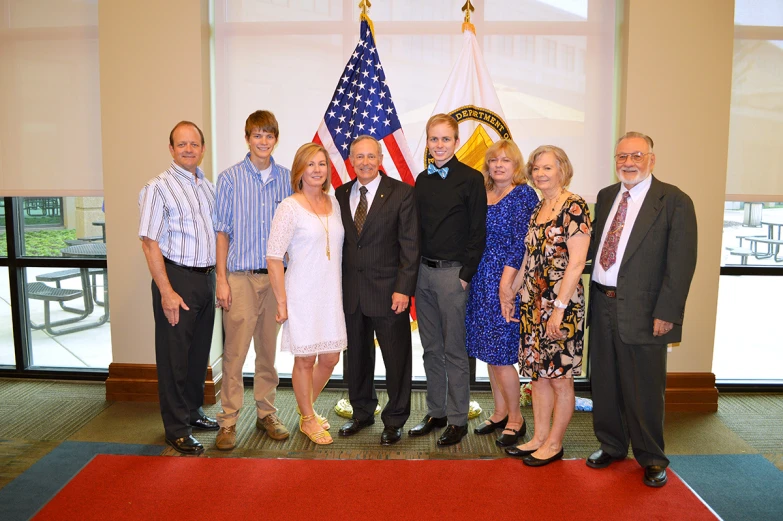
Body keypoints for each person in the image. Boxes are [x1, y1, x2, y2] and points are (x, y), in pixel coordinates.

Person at [586, 132, 697, 488]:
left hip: (646, 309)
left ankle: (651, 457)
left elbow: (681, 264)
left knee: (644, 388)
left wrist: (667, 311)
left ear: (651, 159)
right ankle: (612, 445)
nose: (628, 162)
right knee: (604, 381)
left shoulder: (674, 201)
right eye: (621, 156)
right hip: (602, 301)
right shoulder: (606, 197)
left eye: (636, 155)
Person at [501, 145, 591, 467]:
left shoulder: (574, 206)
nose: (540, 173)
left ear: (562, 169)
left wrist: (559, 308)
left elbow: (577, 262)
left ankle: (554, 443)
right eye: (536, 168)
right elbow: (530, 256)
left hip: (561, 309)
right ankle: (538, 437)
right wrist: (512, 291)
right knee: (537, 376)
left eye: (547, 168)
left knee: (559, 377)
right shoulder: (538, 209)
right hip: (532, 304)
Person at [213, 111, 293, 451]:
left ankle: (266, 413)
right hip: (240, 277)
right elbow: (221, 232)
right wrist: (221, 279)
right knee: (234, 353)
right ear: (247, 138)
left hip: (275, 280)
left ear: (276, 139)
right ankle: (229, 420)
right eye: (257, 135)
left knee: (267, 353)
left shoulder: (288, 179)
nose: (263, 141)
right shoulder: (229, 179)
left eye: (269, 135)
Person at [138, 121, 218, 455]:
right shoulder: (158, 188)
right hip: (177, 279)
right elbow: (149, 242)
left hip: (206, 278)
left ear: (202, 148)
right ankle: (176, 428)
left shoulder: (208, 187)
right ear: (171, 149)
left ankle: (193, 410)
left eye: (194, 144)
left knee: (198, 353)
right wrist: (167, 291)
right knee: (175, 358)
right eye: (181, 144)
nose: (188, 149)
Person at [334, 135, 419, 446]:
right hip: (352, 292)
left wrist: (403, 290)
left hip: (388, 293)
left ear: (381, 158)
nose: (365, 162)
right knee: (356, 356)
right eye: (359, 157)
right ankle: (362, 412)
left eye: (371, 156)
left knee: (396, 358)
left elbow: (410, 246)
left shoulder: (401, 193)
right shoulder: (340, 193)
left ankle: (395, 419)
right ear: (351, 161)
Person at [410, 114, 487, 446]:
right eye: (433, 139)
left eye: (445, 139)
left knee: (454, 350)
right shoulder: (422, 180)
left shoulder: (471, 179)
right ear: (427, 142)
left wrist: (465, 274)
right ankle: (436, 411)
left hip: (453, 275)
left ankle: (457, 419)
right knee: (430, 348)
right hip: (422, 274)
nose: (439, 145)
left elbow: (477, 232)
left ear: (456, 142)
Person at [266, 142, 347, 445]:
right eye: (310, 164)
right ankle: (308, 418)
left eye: (322, 164)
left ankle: (305, 409)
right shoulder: (289, 207)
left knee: (330, 358)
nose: (317, 170)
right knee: (305, 359)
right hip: (301, 292)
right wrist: (282, 302)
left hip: (330, 293)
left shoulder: (334, 201)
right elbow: (274, 257)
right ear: (300, 170)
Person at [466, 139, 538, 448]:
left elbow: (521, 243)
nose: (498, 165)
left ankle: (516, 420)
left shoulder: (524, 194)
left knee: (502, 355)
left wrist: (506, 285)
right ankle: (498, 412)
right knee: (489, 353)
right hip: (480, 278)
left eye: (506, 161)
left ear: (516, 166)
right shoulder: (483, 192)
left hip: (505, 279)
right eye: (494, 160)